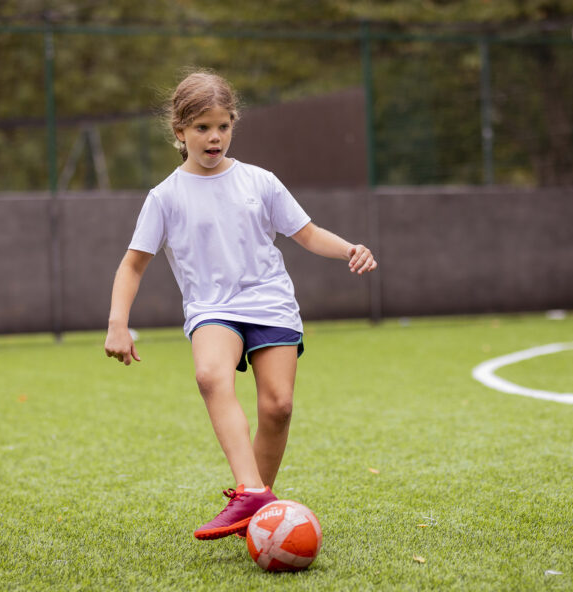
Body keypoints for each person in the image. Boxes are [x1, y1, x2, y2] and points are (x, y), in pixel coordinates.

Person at [103, 70, 377, 541]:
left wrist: (350, 247)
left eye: (223, 126)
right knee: (211, 374)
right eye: (202, 128)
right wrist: (117, 324)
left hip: (269, 302)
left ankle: (257, 508)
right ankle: (251, 491)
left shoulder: (260, 181)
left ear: (233, 125)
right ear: (180, 131)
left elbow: (307, 233)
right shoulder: (165, 197)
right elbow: (132, 265)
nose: (214, 137)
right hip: (212, 308)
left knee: (279, 407)